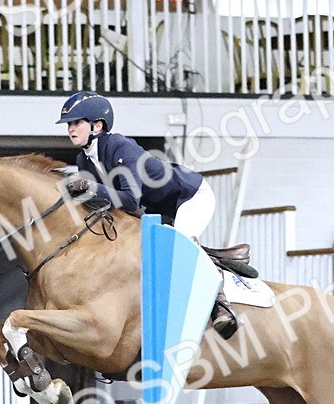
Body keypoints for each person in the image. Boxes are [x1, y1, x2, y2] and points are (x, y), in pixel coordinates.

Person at [55, 91, 240, 340]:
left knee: (180, 245)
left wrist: (91, 188)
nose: (71, 129)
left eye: (77, 122)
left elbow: (130, 199)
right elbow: (104, 202)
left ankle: (221, 305)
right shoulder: (83, 160)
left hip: (189, 196)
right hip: (157, 209)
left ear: (97, 125)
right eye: (69, 124)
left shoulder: (119, 146)